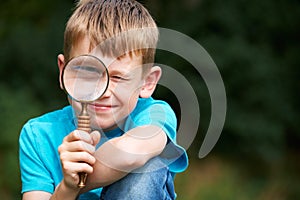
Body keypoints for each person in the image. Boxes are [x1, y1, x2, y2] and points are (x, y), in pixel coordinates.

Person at [19, 0, 188, 199]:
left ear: (147, 82)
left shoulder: (155, 114)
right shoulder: (38, 134)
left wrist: (79, 181)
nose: (103, 90)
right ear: (64, 71)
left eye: (118, 77)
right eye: (89, 72)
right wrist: (67, 188)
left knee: (146, 166)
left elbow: (129, 154)